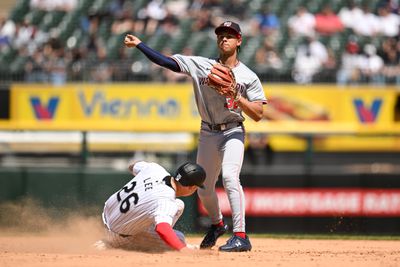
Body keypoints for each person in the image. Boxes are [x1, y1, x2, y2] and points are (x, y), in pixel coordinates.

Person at [124, 20, 267, 252]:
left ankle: (241, 235)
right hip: (207, 131)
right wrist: (141, 45)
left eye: (230, 35)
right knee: (203, 187)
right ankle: (217, 224)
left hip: (232, 130)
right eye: (221, 34)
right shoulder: (201, 65)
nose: (224, 38)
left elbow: (259, 114)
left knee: (230, 178)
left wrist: (237, 97)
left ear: (239, 40)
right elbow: (167, 62)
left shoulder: (248, 76)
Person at [96, 161, 206, 252]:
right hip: (118, 235)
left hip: (104, 216)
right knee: (179, 239)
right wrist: (183, 249)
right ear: (191, 187)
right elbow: (162, 228)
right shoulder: (166, 201)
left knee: (178, 205)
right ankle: (110, 244)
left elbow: (133, 165)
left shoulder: (155, 169)